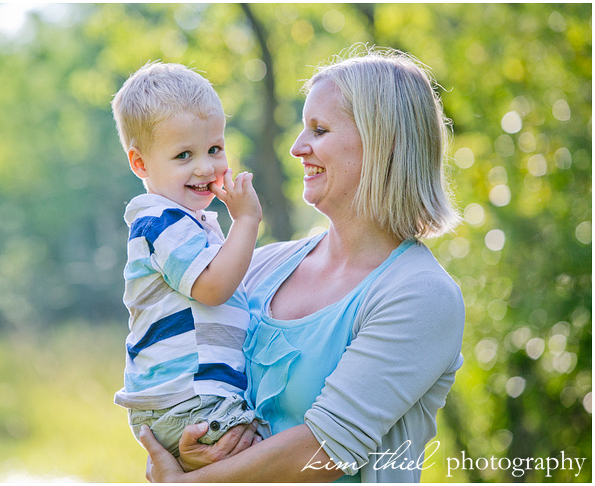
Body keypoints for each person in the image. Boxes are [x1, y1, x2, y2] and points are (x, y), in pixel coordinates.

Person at [138, 45, 466, 482]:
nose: (297, 147)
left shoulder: (421, 294)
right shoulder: (256, 267)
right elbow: (184, 377)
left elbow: (326, 449)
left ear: (382, 141)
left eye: (320, 129)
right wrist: (192, 449)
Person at [111, 62, 270, 458]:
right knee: (279, 451)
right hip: (189, 399)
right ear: (141, 164)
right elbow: (214, 289)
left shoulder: (189, 223)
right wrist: (247, 220)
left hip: (193, 397)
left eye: (214, 148)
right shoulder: (160, 222)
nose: (205, 167)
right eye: (184, 155)